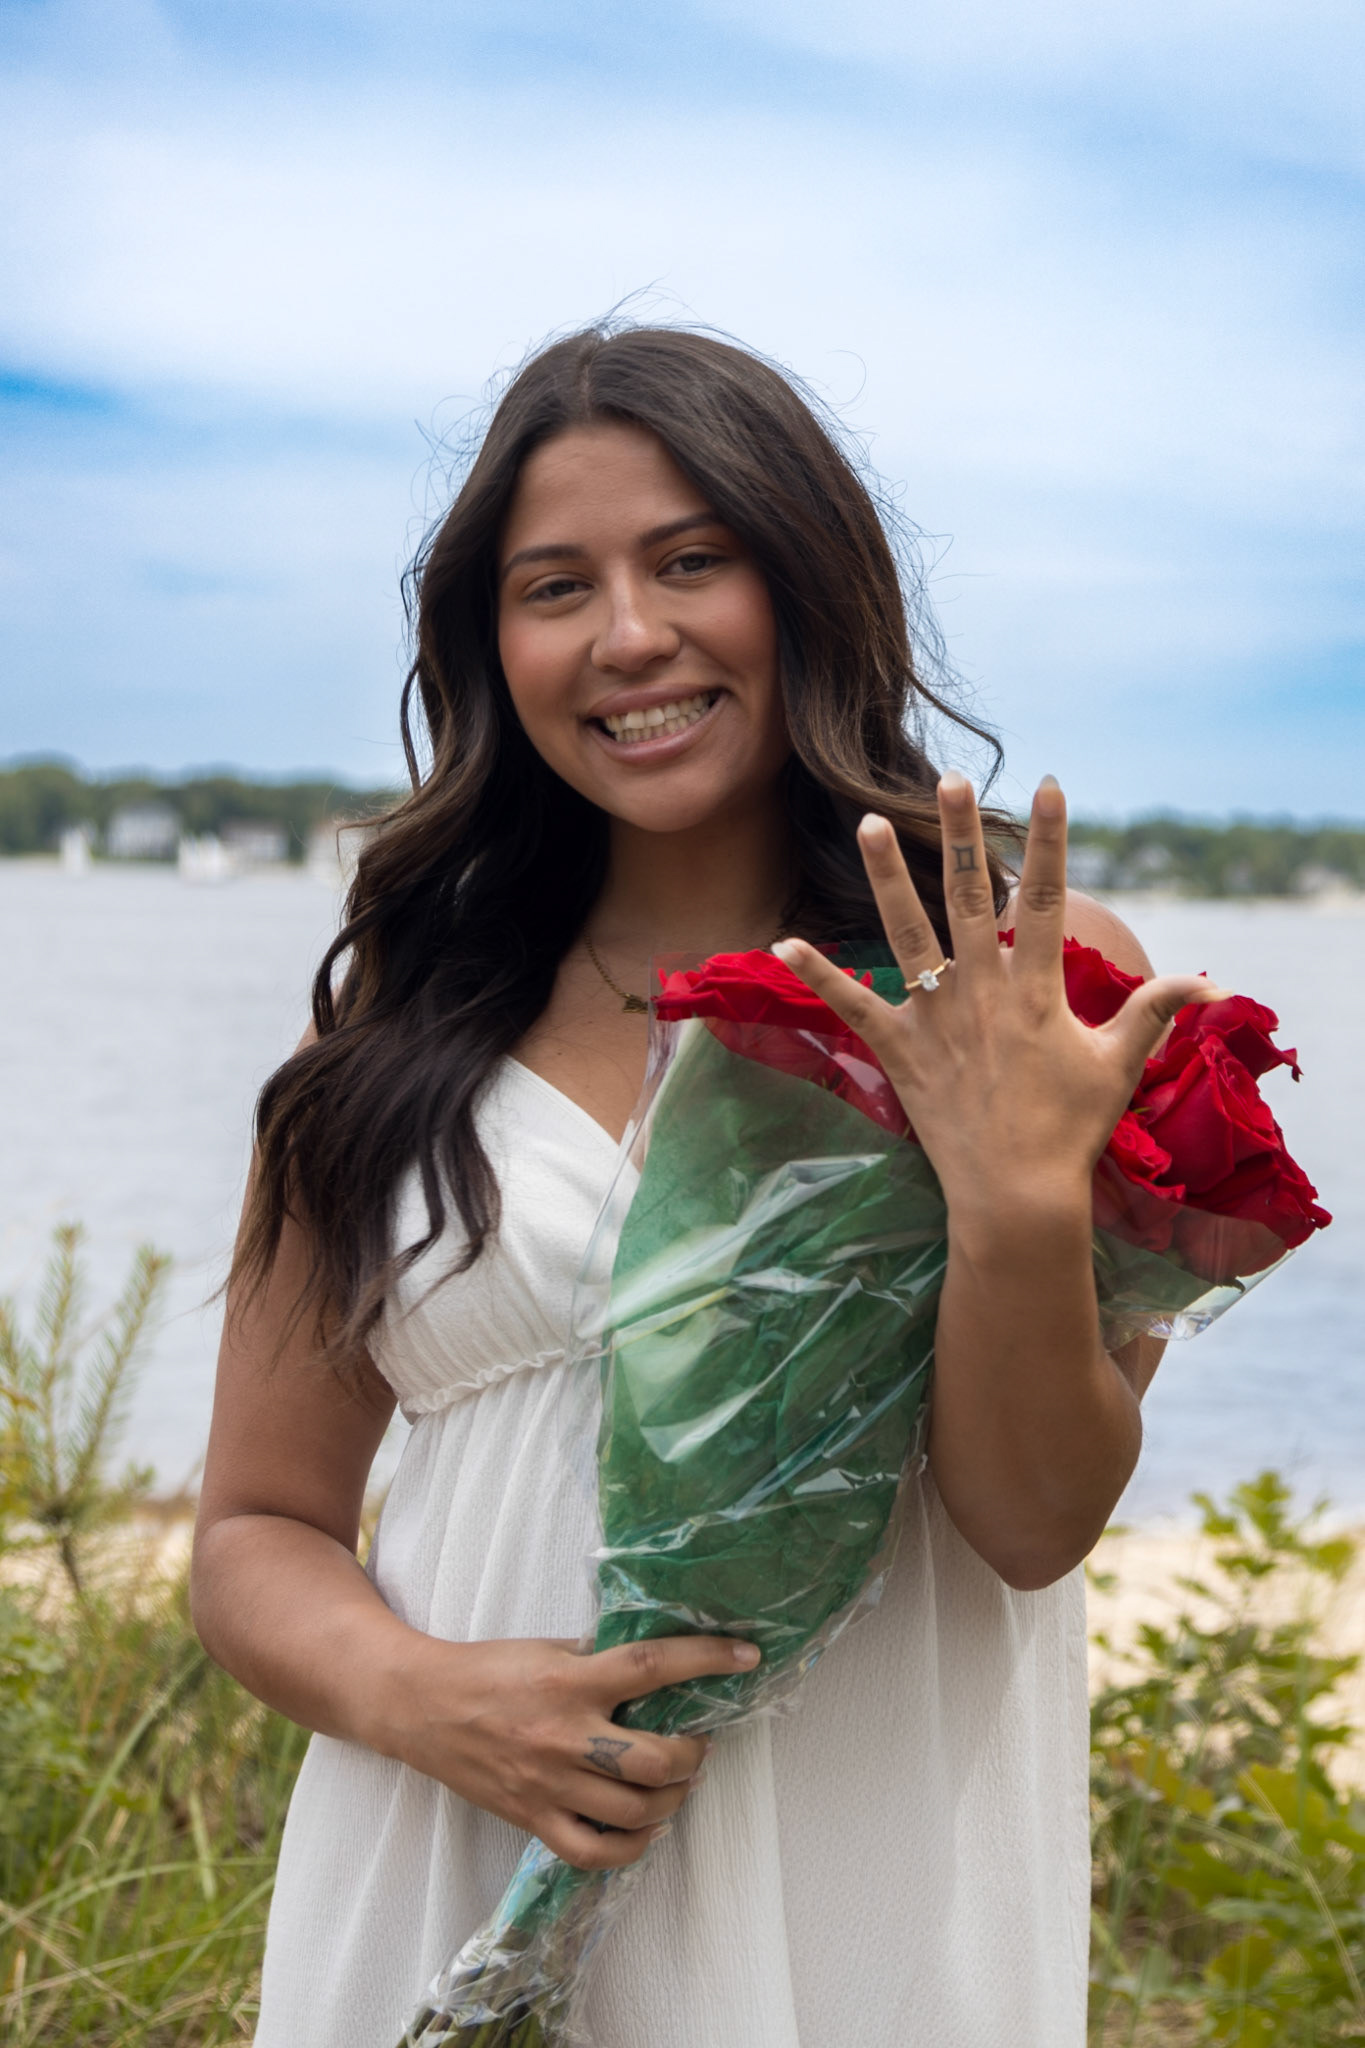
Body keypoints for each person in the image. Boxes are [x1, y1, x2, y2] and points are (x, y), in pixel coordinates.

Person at [191, 325, 1215, 2048]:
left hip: (861, 1901)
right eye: (554, 587)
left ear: (807, 582)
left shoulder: (1011, 981)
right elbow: (253, 1531)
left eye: (689, 561)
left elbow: (1033, 1522)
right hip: (444, 1861)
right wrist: (429, 1698)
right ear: (490, 644)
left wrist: (1012, 1197)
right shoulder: (393, 1030)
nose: (627, 636)